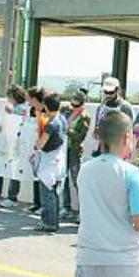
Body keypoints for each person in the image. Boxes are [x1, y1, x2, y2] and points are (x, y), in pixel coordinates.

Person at [75, 110, 139, 277]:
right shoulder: (131, 173)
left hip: (88, 257)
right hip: (123, 260)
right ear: (126, 138)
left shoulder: (85, 170)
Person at [0, 84, 29, 206]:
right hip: (5, 141)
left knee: (13, 170)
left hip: (15, 143)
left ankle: (12, 197)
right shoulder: (13, 107)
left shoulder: (22, 109)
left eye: (10, 97)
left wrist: (10, 113)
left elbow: (20, 123)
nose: (8, 99)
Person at [32, 91, 67, 233]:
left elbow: (41, 144)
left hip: (49, 160)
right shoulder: (62, 119)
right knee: (54, 193)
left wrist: (36, 145)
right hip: (59, 160)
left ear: (46, 106)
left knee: (47, 194)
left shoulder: (51, 124)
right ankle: (53, 221)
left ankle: (49, 223)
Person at [60, 89, 90, 221]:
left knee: (77, 180)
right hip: (62, 150)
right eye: (73, 103)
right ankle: (65, 207)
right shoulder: (65, 110)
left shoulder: (85, 117)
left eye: (77, 105)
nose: (73, 107)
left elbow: (80, 137)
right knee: (63, 179)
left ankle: (82, 211)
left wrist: (68, 130)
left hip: (74, 151)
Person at [93, 77, 136, 156]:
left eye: (111, 92)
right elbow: (96, 125)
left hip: (119, 146)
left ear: (117, 90)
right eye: (106, 92)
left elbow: (130, 129)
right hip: (103, 146)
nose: (109, 95)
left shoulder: (125, 107)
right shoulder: (101, 107)